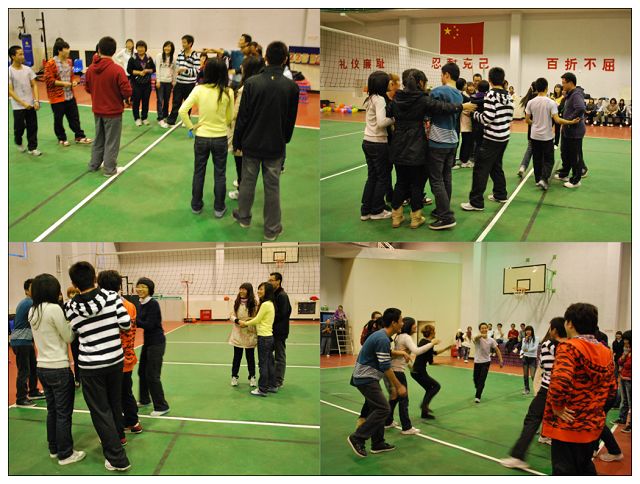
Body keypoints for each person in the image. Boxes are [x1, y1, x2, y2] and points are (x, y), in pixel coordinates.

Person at [64, 261, 131, 471]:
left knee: (101, 411)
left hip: (90, 365)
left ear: (74, 284)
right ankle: (118, 439)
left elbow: (73, 333)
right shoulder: (112, 297)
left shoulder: (70, 307)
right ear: (94, 278)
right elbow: (126, 324)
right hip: (115, 361)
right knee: (114, 404)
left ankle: (117, 458)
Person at [388, 68, 473, 229]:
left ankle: (396, 217)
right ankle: (416, 218)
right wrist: (461, 106)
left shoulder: (397, 97)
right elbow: (442, 107)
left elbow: (388, 112)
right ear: (420, 82)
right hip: (417, 145)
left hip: (398, 144)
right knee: (417, 183)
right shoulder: (423, 99)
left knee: (400, 182)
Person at [232, 41, 299, 241]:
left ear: (266, 58)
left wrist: (237, 141)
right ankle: (271, 228)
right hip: (275, 145)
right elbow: (290, 120)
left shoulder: (252, 83)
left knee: (247, 182)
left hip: (251, 143)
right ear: (285, 59)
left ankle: (244, 218)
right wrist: (284, 139)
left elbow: (242, 117)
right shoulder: (292, 87)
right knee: (272, 187)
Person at [541, 303, 617, 475]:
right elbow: (612, 391)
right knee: (584, 468)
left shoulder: (569, 348)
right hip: (592, 425)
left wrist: (557, 407)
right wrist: (596, 411)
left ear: (569, 324)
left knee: (564, 471)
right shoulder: (606, 351)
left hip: (568, 427)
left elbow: (560, 382)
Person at [29, 274, 85, 465]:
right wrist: (74, 323)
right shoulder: (54, 309)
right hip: (59, 368)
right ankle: (66, 454)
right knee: (63, 413)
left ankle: (54, 448)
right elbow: (68, 337)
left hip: (42, 367)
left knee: (52, 411)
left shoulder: (33, 310)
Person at [501, 317, 567, 469]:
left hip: (549, 389)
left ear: (554, 330)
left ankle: (518, 455)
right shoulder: (571, 345)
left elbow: (545, 366)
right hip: (566, 391)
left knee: (532, 418)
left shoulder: (549, 344)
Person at [347, 308, 407, 458]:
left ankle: (378, 443)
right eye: (401, 320)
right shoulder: (382, 339)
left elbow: (384, 357)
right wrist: (398, 386)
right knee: (383, 409)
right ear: (393, 323)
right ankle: (358, 437)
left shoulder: (382, 337)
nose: (403, 323)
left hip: (367, 377)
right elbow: (385, 366)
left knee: (377, 408)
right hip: (365, 378)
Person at [179, 59, 234, 218]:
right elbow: (230, 118)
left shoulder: (199, 89)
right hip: (220, 138)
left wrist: (191, 127)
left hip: (202, 138)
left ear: (207, 72)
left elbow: (182, 111)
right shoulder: (228, 92)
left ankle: (196, 205)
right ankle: (219, 208)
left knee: (199, 172)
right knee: (220, 174)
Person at [461, 67, 514, 212]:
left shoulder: (491, 95)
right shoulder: (508, 96)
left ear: (490, 80)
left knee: (480, 169)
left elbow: (487, 118)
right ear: (502, 80)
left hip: (492, 138)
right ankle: (500, 194)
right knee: (496, 166)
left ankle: (476, 202)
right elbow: (509, 116)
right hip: (504, 137)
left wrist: (473, 114)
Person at [97, 270, 142, 437]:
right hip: (128, 356)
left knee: (112, 397)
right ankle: (133, 422)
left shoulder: (105, 306)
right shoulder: (130, 305)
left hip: (113, 359)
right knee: (126, 392)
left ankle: (117, 432)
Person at [85, 36, 133, 177]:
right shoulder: (117, 70)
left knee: (99, 139)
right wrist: (119, 97)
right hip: (113, 111)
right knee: (112, 141)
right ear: (113, 51)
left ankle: (94, 164)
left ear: (99, 49)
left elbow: (87, 88)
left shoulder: (90, 69)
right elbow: (127, 91)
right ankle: (109, 169)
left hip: (97, 110)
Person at [386, 317, 439, 434]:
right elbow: (417, 351)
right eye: (414, 324)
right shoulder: (406, 337)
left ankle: (388, 421)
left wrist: (410, 365)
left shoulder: (399, 336)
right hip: (398, 371)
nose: (416, 326)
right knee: (404, 400)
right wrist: (432, 343)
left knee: (395, 398)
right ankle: (406, 427)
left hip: (394, 369)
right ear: (409, 325)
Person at [526, 78, 581, 190]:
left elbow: (527, 120)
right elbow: (557, 120)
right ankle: (544, 179)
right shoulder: (551, 103)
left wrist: (535, 124)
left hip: (534, 135)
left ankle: (538, 179)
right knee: (549, 160)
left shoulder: (530, 102)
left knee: (537, 158)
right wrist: (571, 122)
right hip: (546, 137)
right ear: (547, 88)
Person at [427, 62, 464, 230]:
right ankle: (443, 209)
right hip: (452, 140)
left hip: (438, 140)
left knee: (436, 179)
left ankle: (445, 216)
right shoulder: (460, 95)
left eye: (442, 74)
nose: (441, 77)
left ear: (447, 75)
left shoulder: (438, 91)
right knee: (446, 177)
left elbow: (428, 110)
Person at [228, 56, 265, 200]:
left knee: (241, 163)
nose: (241, 68)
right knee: (250, 164)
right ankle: (244, 185)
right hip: (257, 131)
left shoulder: (246, 89)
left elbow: (236, 114)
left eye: (243, 66)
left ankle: (242, 191)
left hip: (243, 133)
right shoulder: (262, 85)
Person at [44, 39, 92, 146]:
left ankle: (79, 136)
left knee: (74, 118)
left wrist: (73, 81)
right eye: (66, 48)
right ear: (59, 50)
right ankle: (61, 138)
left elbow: (71, 76)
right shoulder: (50, 63)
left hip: (70, 96)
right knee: (58, 119)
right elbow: (49, 80)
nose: (68, 50)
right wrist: (64, 84)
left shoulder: (69, 62)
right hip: (57, 97)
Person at [360, 71, 394, 221]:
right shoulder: (380, 99)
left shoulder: (370, 98)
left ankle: (366, 210)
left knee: (372, 176)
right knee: (382, 177)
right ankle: (377, 210)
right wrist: (394, 118)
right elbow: (381, 122)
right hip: (378, 143)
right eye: (387, 81)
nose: (390, 83)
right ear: (382, 84)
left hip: (367, 141)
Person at [135, 277, 170, 416]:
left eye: (144, 287)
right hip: (148, 342)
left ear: (150, 289)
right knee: (141, 372)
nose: (140, 289)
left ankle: (162, 406)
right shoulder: (141, 303)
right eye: (139, 286)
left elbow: (149, 324)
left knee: (152, 375)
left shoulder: (153, 304)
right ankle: (144, 400)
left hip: (157, 342)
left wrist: (133, 320)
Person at [10, 278, 45, 407]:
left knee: (32, 367)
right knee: (24, 370)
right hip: (21, 341)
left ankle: (33, 391)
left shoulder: (26, 302)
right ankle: (21, 398)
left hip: (25, 340)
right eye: (32, 287)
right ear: (26, 290)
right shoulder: (29, 302)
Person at [238, 282, 276, 396]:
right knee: (269, 363)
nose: (258, 291)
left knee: (263, 364)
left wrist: (245, 323)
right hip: (269, 337)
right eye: (259, 289)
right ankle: (272, 386)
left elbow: (257, 320)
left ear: (267, 291)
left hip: (264, 338)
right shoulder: (270, 303)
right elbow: (260, 318)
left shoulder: (265, 304)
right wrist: (249, 319)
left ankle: (262, 389)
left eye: (261, 289)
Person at [553, 73, 586, 189]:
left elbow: (581, 108)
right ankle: (564, 173)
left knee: (574, 156)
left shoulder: (576, 94)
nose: (562, 85)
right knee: (565, 152)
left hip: (575, 131)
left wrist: (569, 120)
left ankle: (576, 180)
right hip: (567, 129)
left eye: (564, 83)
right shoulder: (570, 94)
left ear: (570, 83)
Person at [411, 324, 450, 420]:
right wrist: (443, 363)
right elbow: (431, 362)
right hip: (419, 372)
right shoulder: (429, 343)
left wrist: (446, 348)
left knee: (429, 389)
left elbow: (433, 353)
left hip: (416, 371)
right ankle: (424, 405)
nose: (435, 332)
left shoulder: (423, 341)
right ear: (431, 332)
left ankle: (424, 413)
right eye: (434, 330)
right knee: (436, 386)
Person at [9, 45, 41, 156]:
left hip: (30, 104)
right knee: (19, 128)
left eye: (23, 54)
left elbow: (34, 85)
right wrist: (23, 103)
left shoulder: (27, 69)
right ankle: (18, 141)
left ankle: (32, 148)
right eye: (20, 54)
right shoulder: (9, 71)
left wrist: (36, 101)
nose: (23, 56)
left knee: (32, 126)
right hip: (18, 106)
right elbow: (10, 90)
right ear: (13, 56)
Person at [166, 35, 200, 126]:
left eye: (184, 42)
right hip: (179, 83)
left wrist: (185, 70)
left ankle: (186, 120)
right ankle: (171, 120)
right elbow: (177, 66)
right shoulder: (180, 54)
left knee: (188, 103)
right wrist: (176, 71)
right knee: (176, 102)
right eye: (182, 42)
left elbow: (197, 71)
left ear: (190, 43)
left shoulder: (195, 55)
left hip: (190, 84)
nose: (183, 44)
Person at [228, 283, 258, 387]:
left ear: (249, 291)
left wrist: (247, 322)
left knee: (250, 357)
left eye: (244, 289)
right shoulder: (236, 302)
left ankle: (252, 377)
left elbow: (256, 317)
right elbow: (231, 315)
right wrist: (238, 321)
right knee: (237, 357)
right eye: (240, 289)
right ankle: (234, 376)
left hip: (249, 332)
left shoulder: (254, 303)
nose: (241, 291)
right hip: (238, 333)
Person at [269, 272, 292, 388]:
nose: (269, 282)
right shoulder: (272, 294)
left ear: (278, 281)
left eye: (271, 280)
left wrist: (268, 317)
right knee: (268, 354)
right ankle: (272, 376)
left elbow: (284, 313)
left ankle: (279, 380)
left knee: (279, 356)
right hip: (271, 331)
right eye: (269, 280)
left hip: (279, 332)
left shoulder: (282, 295)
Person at [127, 40, 155, 127]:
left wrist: (147, 70)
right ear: (136, 48)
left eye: (142, 47)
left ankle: (144, 118)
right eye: (139, 47)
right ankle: (137, 118)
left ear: (145, 48)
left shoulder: (149, 58)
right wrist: (139, 72)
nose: (140, 49)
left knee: (145, 101)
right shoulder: (132, 58)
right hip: (136, 84)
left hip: (147, 84)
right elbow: (129, 70)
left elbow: (154, 69)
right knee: (136, 102)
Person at [472, 322, 503, 402]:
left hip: (486, 362)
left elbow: (497, 350)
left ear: (487, 329)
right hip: (477, 362)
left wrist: (501, 360)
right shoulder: (478, 338)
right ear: (480, 330)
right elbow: (475, 338)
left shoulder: (491, 340)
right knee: (475, 379)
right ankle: (478, 388)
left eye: (485, 328)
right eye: (482, 328)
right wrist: (481, 335)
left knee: (482, 380)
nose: (484, 329)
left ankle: (478, 396)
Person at [155, 41, 176, 128]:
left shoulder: (173, 58)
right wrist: (158, 80)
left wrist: (174, 81)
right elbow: (157, 68)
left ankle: (165, 116)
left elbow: (174, 70)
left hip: (169, 82)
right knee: (160, 100)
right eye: (165, 46)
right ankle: (160, 119)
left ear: (172, 48)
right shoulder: (159, 56)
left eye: (169, 47)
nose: (167, 48)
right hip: (160, 82)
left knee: (166, 101)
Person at [614, 330, 631, 433]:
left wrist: (624, 362)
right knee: (624, 401)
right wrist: (624, 355)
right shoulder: (626, 350)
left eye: (626, 339)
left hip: (630, 380)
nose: (624, 341)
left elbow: (628, 365)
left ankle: (631, 425)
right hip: (623, 378)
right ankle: (622, 418)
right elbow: (620, 361)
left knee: (631, 402)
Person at [65, 286, 81, 387]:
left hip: (82, 335)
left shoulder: (81, 305)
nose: (73, 295)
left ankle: (83, 377)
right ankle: (77, 378)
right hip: (74, 335)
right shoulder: (66, 305)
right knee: (76, 357)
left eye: (75, 293)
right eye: (71, 293)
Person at [519, 325, 539, 395]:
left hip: (532, 359)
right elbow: (523, 348)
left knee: (533, 375)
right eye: (527, 330)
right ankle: (527, 389)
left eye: (529, 330)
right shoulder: (524, 339)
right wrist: (525, 341)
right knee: (525, 375)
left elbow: (535, 348)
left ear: (532, 331)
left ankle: (537, 390)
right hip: (525, 358)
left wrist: (526, 350)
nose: (528, 331)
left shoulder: (536, 338)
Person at [550, 84, 563, 149]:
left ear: (561, 89)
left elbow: (561, 107)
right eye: (555, 87)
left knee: (557, 130)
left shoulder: (562, 97)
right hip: (551, 115)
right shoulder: (552, 96)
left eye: (558, 87)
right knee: (549, 128)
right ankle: (549, 141)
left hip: (558, 116)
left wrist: (555, 102)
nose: (556, 88)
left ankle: (556, 143)